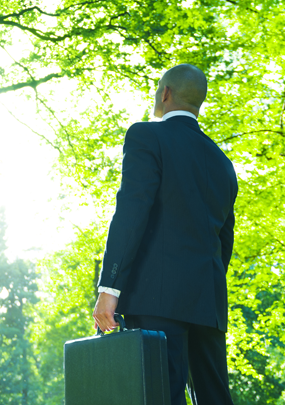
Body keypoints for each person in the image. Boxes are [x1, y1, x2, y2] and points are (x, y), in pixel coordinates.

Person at [93, 64, 238, 405]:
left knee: (161, 397)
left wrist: (110, 288)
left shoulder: (146, 136)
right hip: (210, 306)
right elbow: (224, 241)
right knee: (216, 398)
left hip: (156, 301)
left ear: (166, 93)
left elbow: (131, 212)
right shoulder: (223, 162)